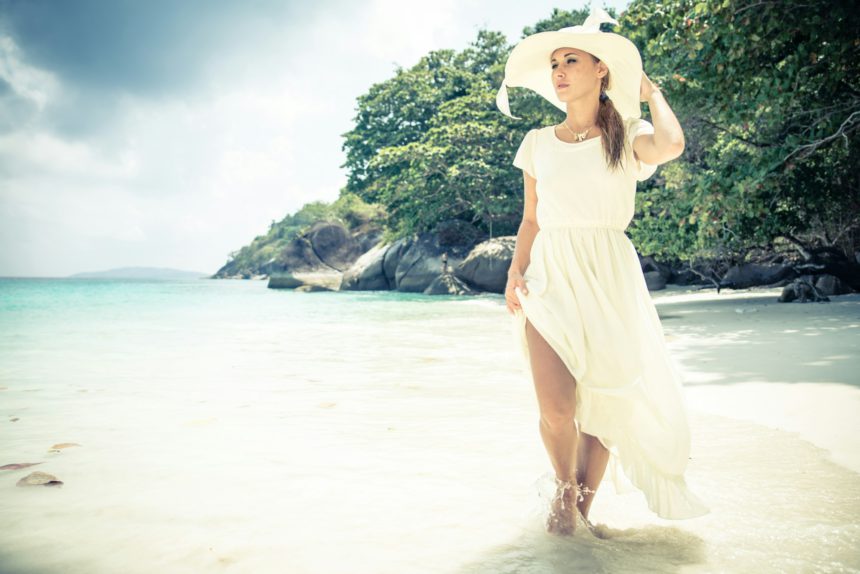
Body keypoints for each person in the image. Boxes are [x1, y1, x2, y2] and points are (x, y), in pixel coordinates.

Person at [496, 5, 710, 536]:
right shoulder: (537, 143)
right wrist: (514, 272)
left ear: (601, 72)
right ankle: (563, 496)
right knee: (556, 409)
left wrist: (651, 91)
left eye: (571, 60)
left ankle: (577, 519)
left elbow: (673, 145)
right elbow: (529, 219)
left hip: (610, 277)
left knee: (606, 407)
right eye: (554, 64)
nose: (560, 71)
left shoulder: (627, 135)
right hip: (549, 279)